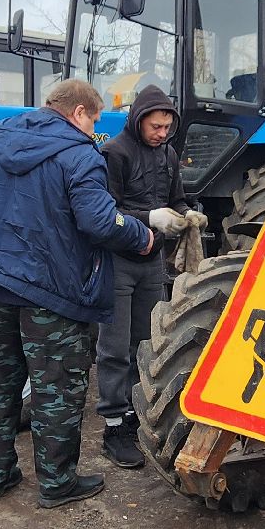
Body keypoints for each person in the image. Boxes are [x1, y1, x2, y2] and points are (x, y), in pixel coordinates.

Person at [0, 78, 155, 507]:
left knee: (0, 384)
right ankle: (57, 481)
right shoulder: (80, 154)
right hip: (53, 292)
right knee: (57, 389)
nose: (94, 131)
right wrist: (142, 235)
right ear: (79, 112)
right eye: (94, 121)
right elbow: (100, 221)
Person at [95, 85, 204, 468]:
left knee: (146, 342)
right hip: (119, 261)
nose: (162, 133)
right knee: (114, 346)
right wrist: (149, 218)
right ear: (139, 120)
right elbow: (105, 210)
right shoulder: (115, 153)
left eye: (167, 128)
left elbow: (177, 198)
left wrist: (186, 214)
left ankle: (138, 413)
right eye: (156, 127)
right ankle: (113, 427)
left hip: (152, 262)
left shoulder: (168, 154)